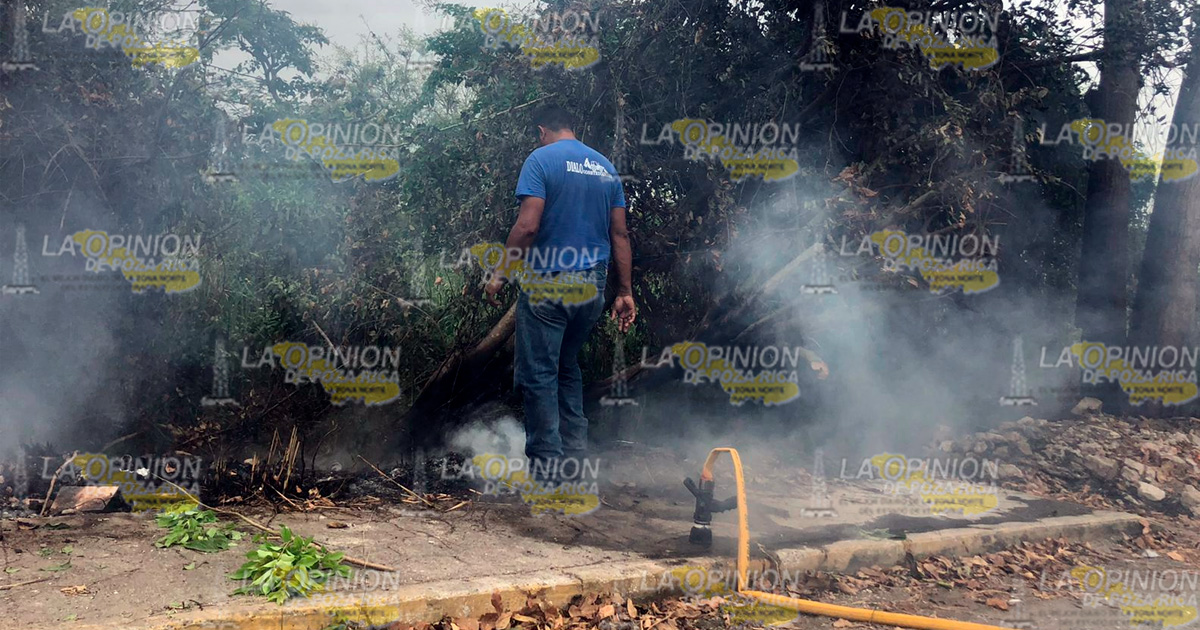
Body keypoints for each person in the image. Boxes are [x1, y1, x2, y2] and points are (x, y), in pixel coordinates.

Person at [484, 104, 635, 481]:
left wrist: (501, 274)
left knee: (539, 374)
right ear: (572, 128)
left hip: (550, 280)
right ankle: (574, 463)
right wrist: (625, 292)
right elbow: (620, 234)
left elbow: (528, 226)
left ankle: (548, 472)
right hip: (592, 286)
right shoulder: (604, 166)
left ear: (542, 131)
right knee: (566, 367)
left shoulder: (541, 160)